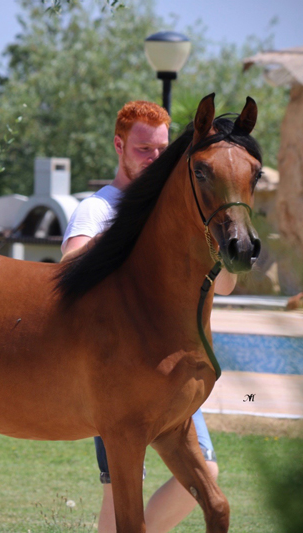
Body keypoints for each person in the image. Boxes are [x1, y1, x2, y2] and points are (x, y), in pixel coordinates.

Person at [60, 100, 236, 533]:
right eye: (143, 149)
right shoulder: (98, 207)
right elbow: (67, 266)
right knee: (119, 495)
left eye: (162, 149)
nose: (155, 158)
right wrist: (127, 234)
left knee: (205, 474)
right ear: (119, 146)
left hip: (175, 370)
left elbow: (227, 286)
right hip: (116, 374)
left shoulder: (183, 212)